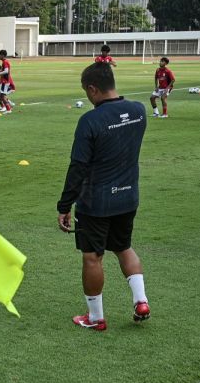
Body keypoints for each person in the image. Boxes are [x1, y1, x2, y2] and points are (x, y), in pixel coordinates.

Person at [56, 62, 149, 331]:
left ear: (93, 89)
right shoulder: (138, 111)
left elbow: (78, 167)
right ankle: (141, 301)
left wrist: (64, 205)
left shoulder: (90, 120)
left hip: (96, 201)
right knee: (123, 247)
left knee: (92, 257)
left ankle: (95, 317)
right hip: (128, 195)